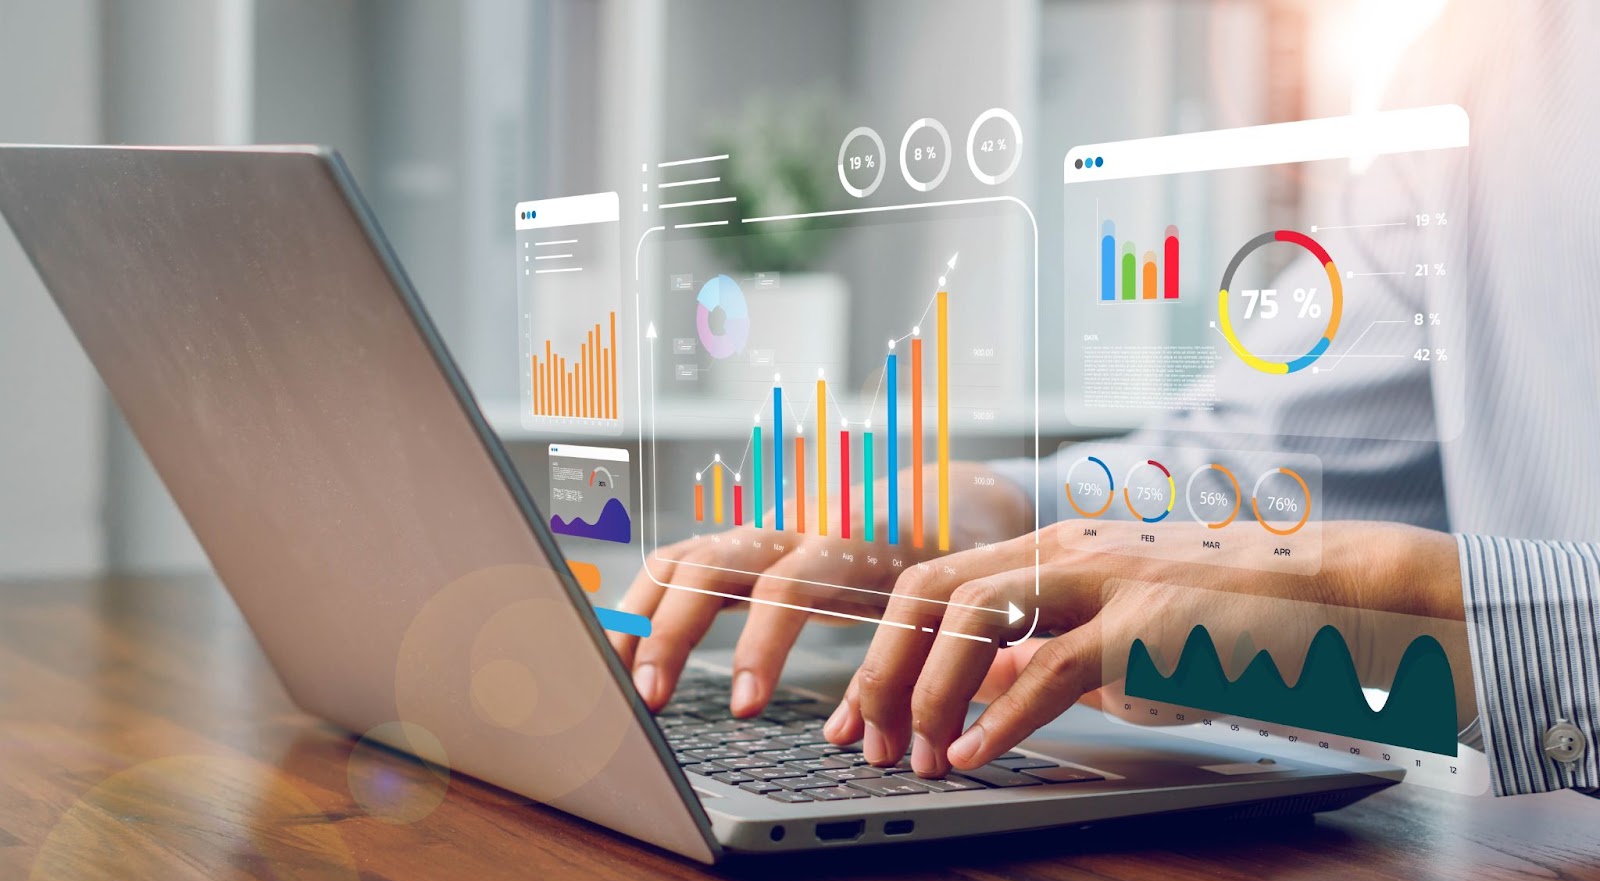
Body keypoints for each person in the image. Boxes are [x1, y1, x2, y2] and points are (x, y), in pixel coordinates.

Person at [610, 0, 1598, 798]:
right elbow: (1262, 468)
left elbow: (1313, 564)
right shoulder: (1481, 56)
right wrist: (999, 519)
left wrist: (1424, 597)